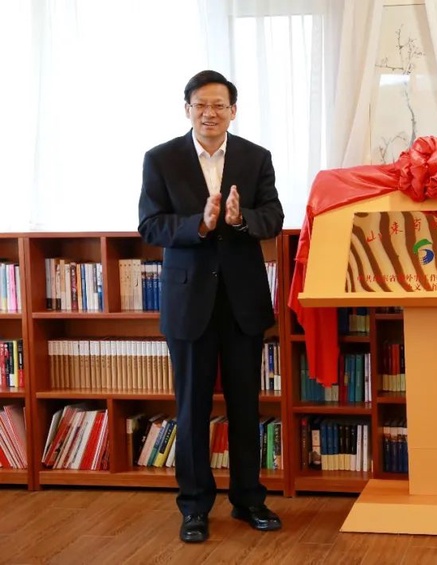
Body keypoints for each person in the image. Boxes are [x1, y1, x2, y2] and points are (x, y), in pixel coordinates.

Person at [138, 70, 285, 543]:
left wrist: (241, 221)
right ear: (187, 109)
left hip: (242, 302)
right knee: (192, 409)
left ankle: (249, 499)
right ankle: (194, 506)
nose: (210, 113)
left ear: (233, 111)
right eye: (201, 105)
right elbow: (150, 225)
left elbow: (274, 216)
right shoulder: (161, 159)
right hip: (189, 302)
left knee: (245, 407)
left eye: (219, 105)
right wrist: (198, 225)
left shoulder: (255, 157)